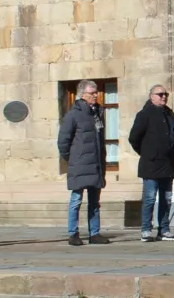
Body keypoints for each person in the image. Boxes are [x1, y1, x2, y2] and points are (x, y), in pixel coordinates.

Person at [58, 79, 111, 246]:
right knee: (76, 200)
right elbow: (63, 141)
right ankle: (73, 233)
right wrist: (73, 158)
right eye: (92, 93)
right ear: (82, 94)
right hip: (80, 164)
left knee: (95, 201)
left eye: (96, 92)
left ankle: (94, 233)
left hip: (95, 164)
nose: (96, 95)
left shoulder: (97, 112)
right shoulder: (73, 115)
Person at [128, 84, 174, 242]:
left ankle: (164, 229)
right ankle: (145, 230)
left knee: (166, 197)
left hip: (168, 163)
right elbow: (133, 138)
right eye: (160, 94)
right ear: (151, 96)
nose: (164, 96)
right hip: (151, 163)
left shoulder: (169, 114)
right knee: (150, 197)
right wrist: (146, 153)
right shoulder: (145, 114)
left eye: (166, 94)